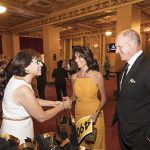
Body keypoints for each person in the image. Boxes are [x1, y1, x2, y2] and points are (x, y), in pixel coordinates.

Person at [0, 49, 72, 144]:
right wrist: (63, 106)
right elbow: (42, 117)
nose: (41, 64)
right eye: (37, 62)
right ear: (25, 67)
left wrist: (53, 103)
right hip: (17, 133)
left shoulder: (19, 79)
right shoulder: (23, 88)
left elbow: (30, 100)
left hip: (19, 126)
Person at [112, 29, 150, 150]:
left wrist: (148, 136)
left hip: (141, 135)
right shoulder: (126, 66)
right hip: (125, 129)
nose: (116, 51)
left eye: (119, 47)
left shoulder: (148, 65)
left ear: (132, 45)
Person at [70, 46, 106, 149]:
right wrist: (69, 99)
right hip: (79, 114)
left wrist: (97, 113)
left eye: (79, 57)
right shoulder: (74, 77)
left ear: (87, 57)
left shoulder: (97, 75)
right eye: (75, 58)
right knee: (82, 145)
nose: (76, 60)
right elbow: (74, 96)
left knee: (96, 144)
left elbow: (104, 98)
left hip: (94, 115)